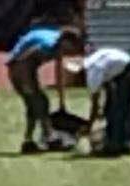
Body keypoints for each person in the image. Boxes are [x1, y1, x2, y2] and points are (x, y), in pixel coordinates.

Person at [5, 25, 81, 153]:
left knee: (36, 104)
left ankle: (30, 141)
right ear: (65, 41)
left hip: (28, 68)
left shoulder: (58, 44)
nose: (72, 51)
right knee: (38, 102)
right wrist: (27, 86)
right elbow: (23, 59)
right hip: (19, 67)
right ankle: (49, 137)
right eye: (72, 47)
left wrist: (62, 102)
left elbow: (59, 71)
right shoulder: (47, 45)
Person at [82, 46, 130, 156]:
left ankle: (116, 144)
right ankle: (127, 139)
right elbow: (108, 91)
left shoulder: (93, 73)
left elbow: (95, 105)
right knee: (120, 107)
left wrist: (89, 125)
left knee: (119, 109)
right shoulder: (95, 59)